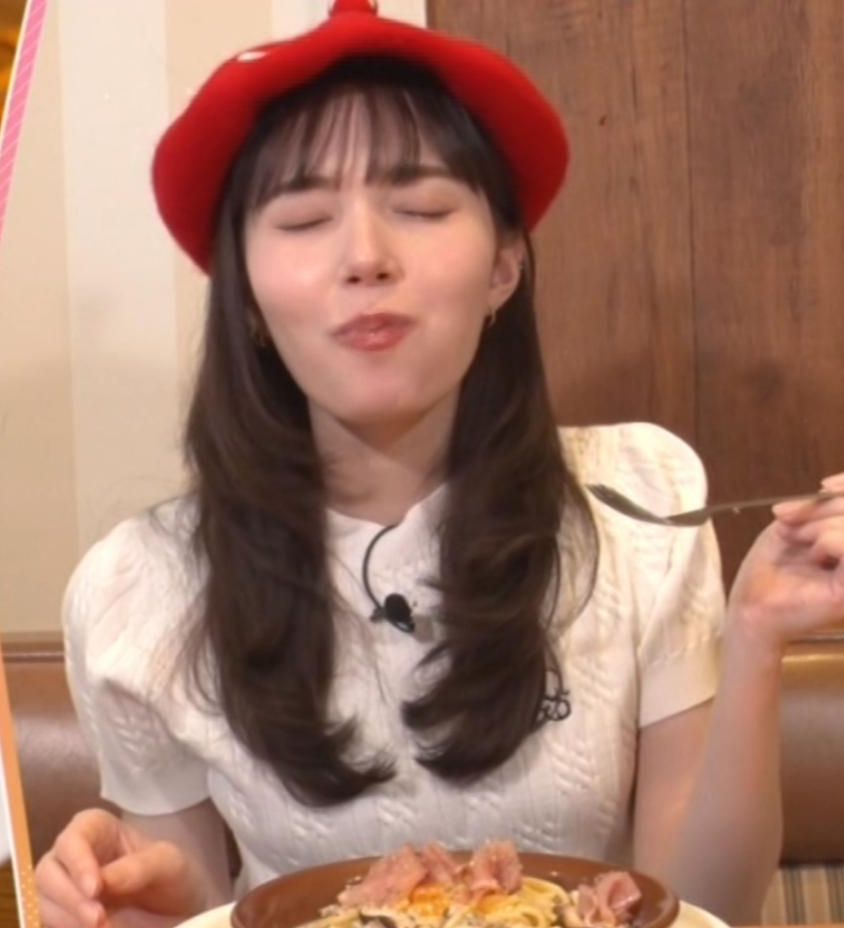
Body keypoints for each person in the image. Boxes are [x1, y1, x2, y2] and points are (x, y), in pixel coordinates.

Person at [34, 3, 844, 928]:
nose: (365, 257)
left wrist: (757, 636)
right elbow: (205, 912)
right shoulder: (144, 591)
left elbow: (699, 908)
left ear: (503, 266)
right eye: (304, 219)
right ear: (247, 298)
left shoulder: (638, 507)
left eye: (419, 209)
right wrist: (152, 907)